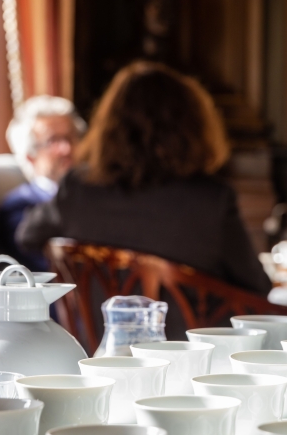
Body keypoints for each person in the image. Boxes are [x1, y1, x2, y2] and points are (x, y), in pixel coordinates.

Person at [16, 61, 271, 296]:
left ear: (109, 127)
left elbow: (27, 236)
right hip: (187, 343)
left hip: (98, 341)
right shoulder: (212, 199)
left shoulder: (79, 188)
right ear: (192, 128)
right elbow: (257, 285)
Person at [0, 96, 87, 270]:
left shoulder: (94, 193)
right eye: (53, 141)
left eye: (71, 137)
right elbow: (51, 270)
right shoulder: (20, 206)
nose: (66, 149)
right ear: (30, 156)